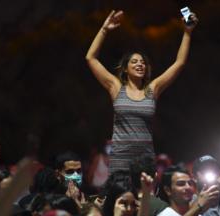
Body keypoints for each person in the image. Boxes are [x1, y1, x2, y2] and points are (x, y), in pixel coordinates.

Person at [85, 10, 198, 173]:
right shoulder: (116, 88)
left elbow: (179, 63)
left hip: (145, 162)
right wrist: (104, 29)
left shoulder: (152, 89)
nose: (140, 64)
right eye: (134, 62)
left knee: (144, 199)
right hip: (120, 161)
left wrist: (187, 32)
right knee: (121, 199)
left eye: (143, 62)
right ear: (125, 69)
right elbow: (91, 58)